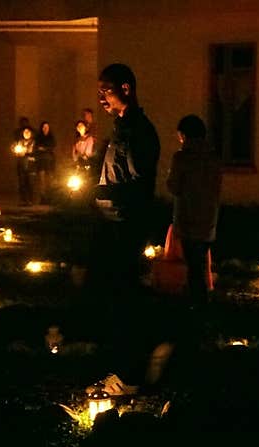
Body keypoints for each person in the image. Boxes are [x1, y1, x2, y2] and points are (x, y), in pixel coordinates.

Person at [95, 63, 161, 290]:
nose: (101, 99)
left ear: (125, 88)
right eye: (99, 93)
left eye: (106, 91)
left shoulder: (138, 131)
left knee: (121, 287)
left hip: (125, 226)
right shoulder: (121, 128)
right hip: (112, 221)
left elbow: (140, 186)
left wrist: (101, 191)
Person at [165, 114, 221, 307]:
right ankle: (200, 301)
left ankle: (197, 305)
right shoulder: (213, 158)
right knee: (200, 264)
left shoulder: (182, 157)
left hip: (188, 218)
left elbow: (173, 187)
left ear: (184, 135)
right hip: (208, 219)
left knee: (193, 266)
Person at [13, 126, 36, 205]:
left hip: (30, 165)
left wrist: (26, 152)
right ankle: (23, 200)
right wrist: (17, 152)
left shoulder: (33, 142)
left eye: (28, 132)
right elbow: (15, 150)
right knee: (22, 183)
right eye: (25, 132)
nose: (26, 134)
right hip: (21, 164)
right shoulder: (19, 142)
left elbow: (34, 152)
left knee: (30, 183)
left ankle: (30, 200)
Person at [35, 121, 57, 204]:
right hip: (41, 161)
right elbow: (37, 147)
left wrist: (44, 148)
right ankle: (43, 198)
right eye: (44, 127)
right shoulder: (38, 137)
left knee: (50, 180)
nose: (45, 129)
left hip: (49, 161)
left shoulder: (51, 137)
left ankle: (50, 197)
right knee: (42, 181)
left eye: (47, 127)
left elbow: (52, 146)